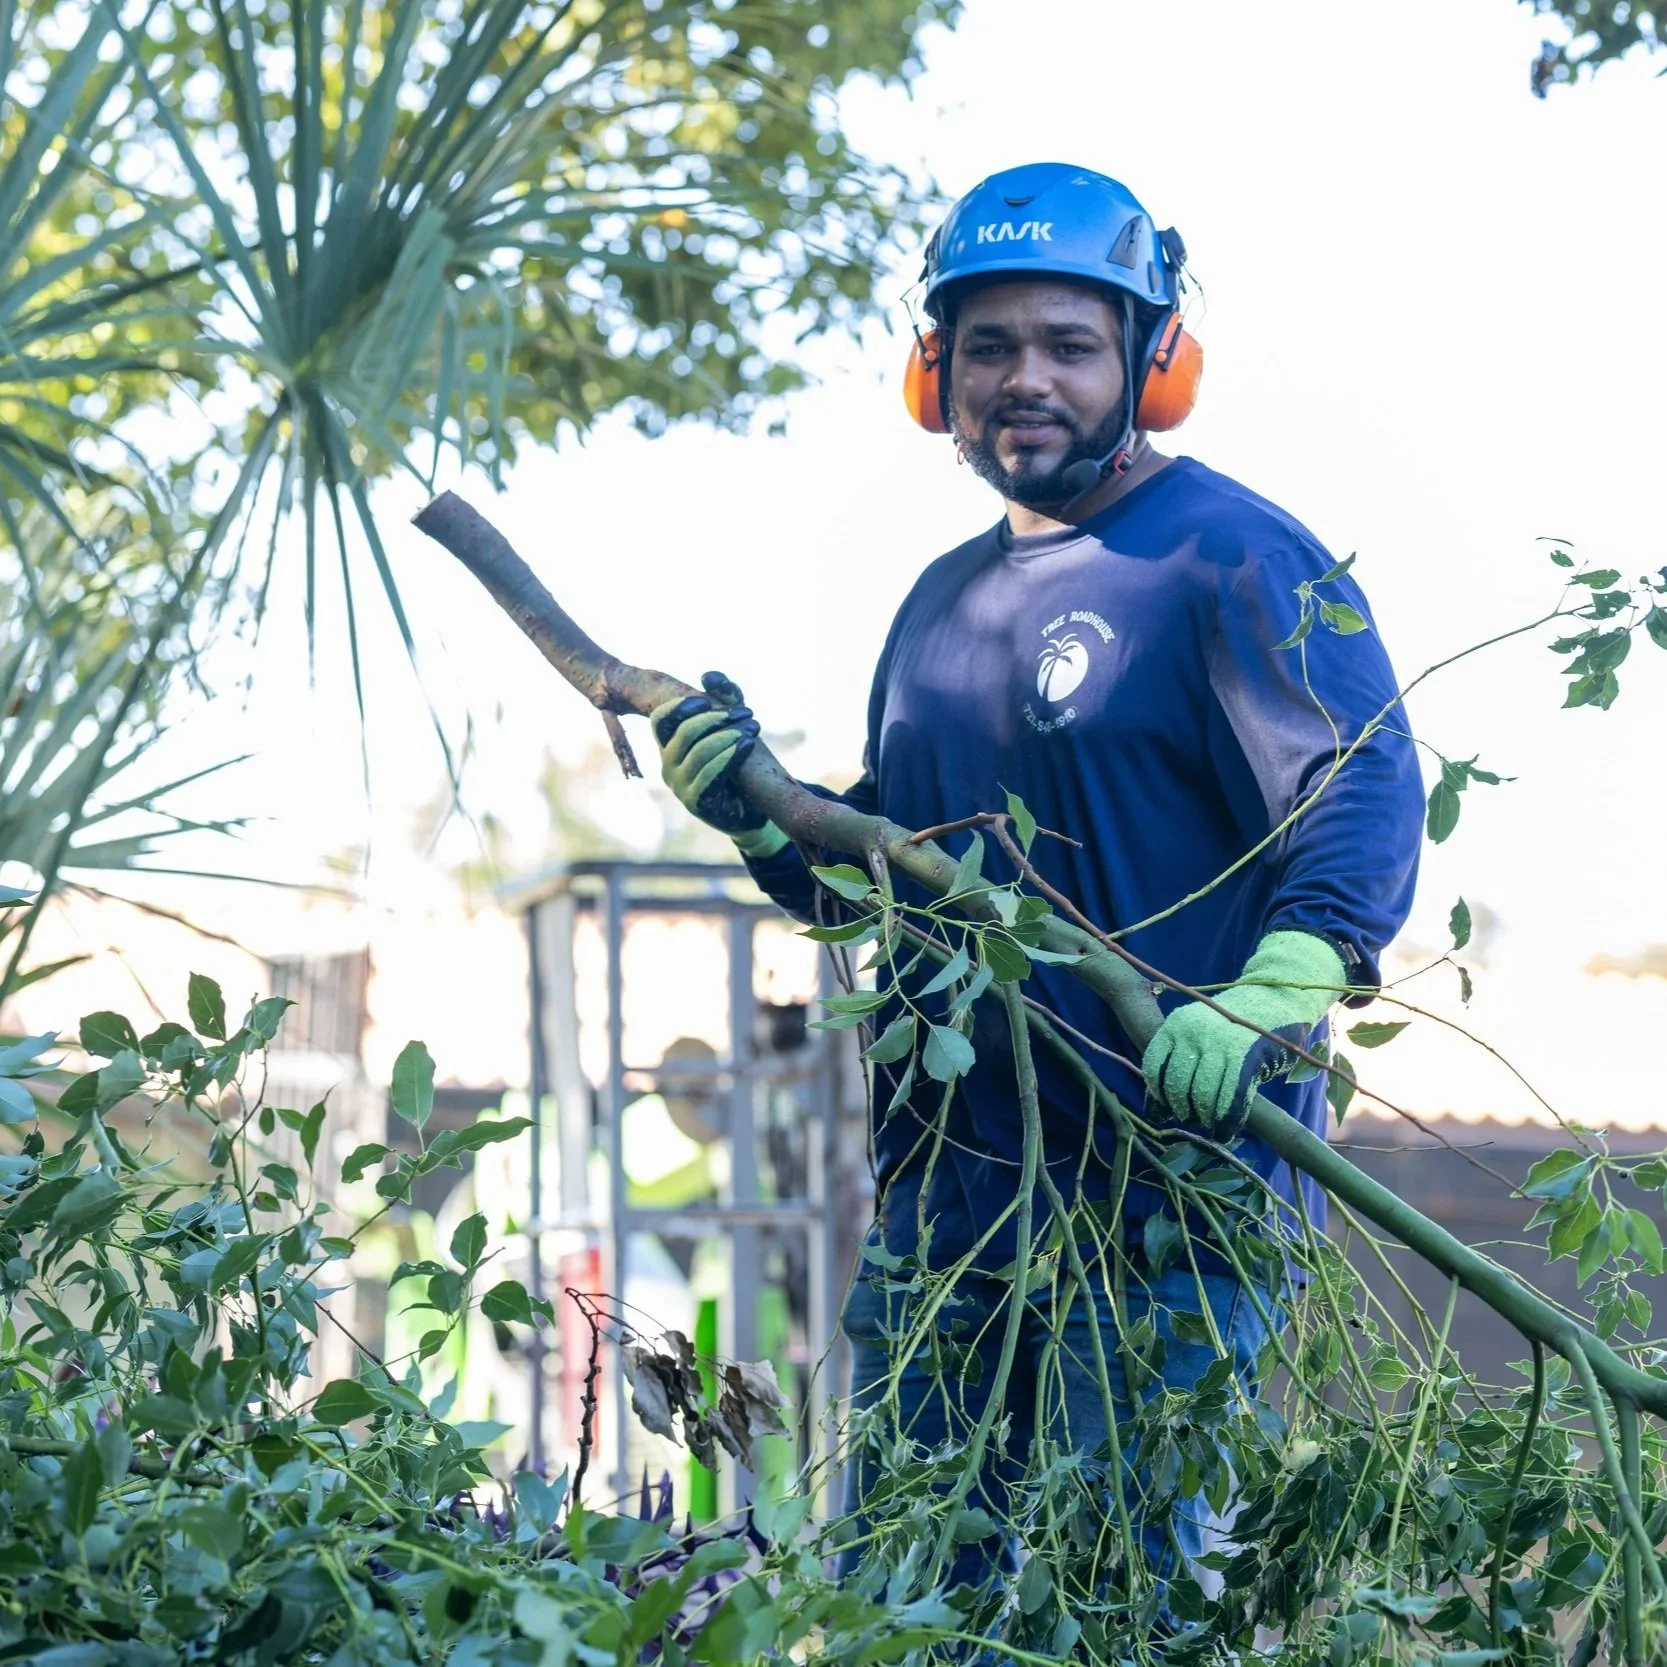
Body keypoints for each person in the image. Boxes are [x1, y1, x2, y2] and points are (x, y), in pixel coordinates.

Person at [650, 163, 1425, 1627]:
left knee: (1118, 1606)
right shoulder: (938, 606)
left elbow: (1358, 783)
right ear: (935, 373)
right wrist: (762, 818)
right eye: (990, 345)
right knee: (903, 1604)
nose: (1027, 379)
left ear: (1151, 359)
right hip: (950, 1205)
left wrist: (1280, 986)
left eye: (1070, 345)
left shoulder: (1227, 557)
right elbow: (890, 872)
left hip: (1163, 1209)